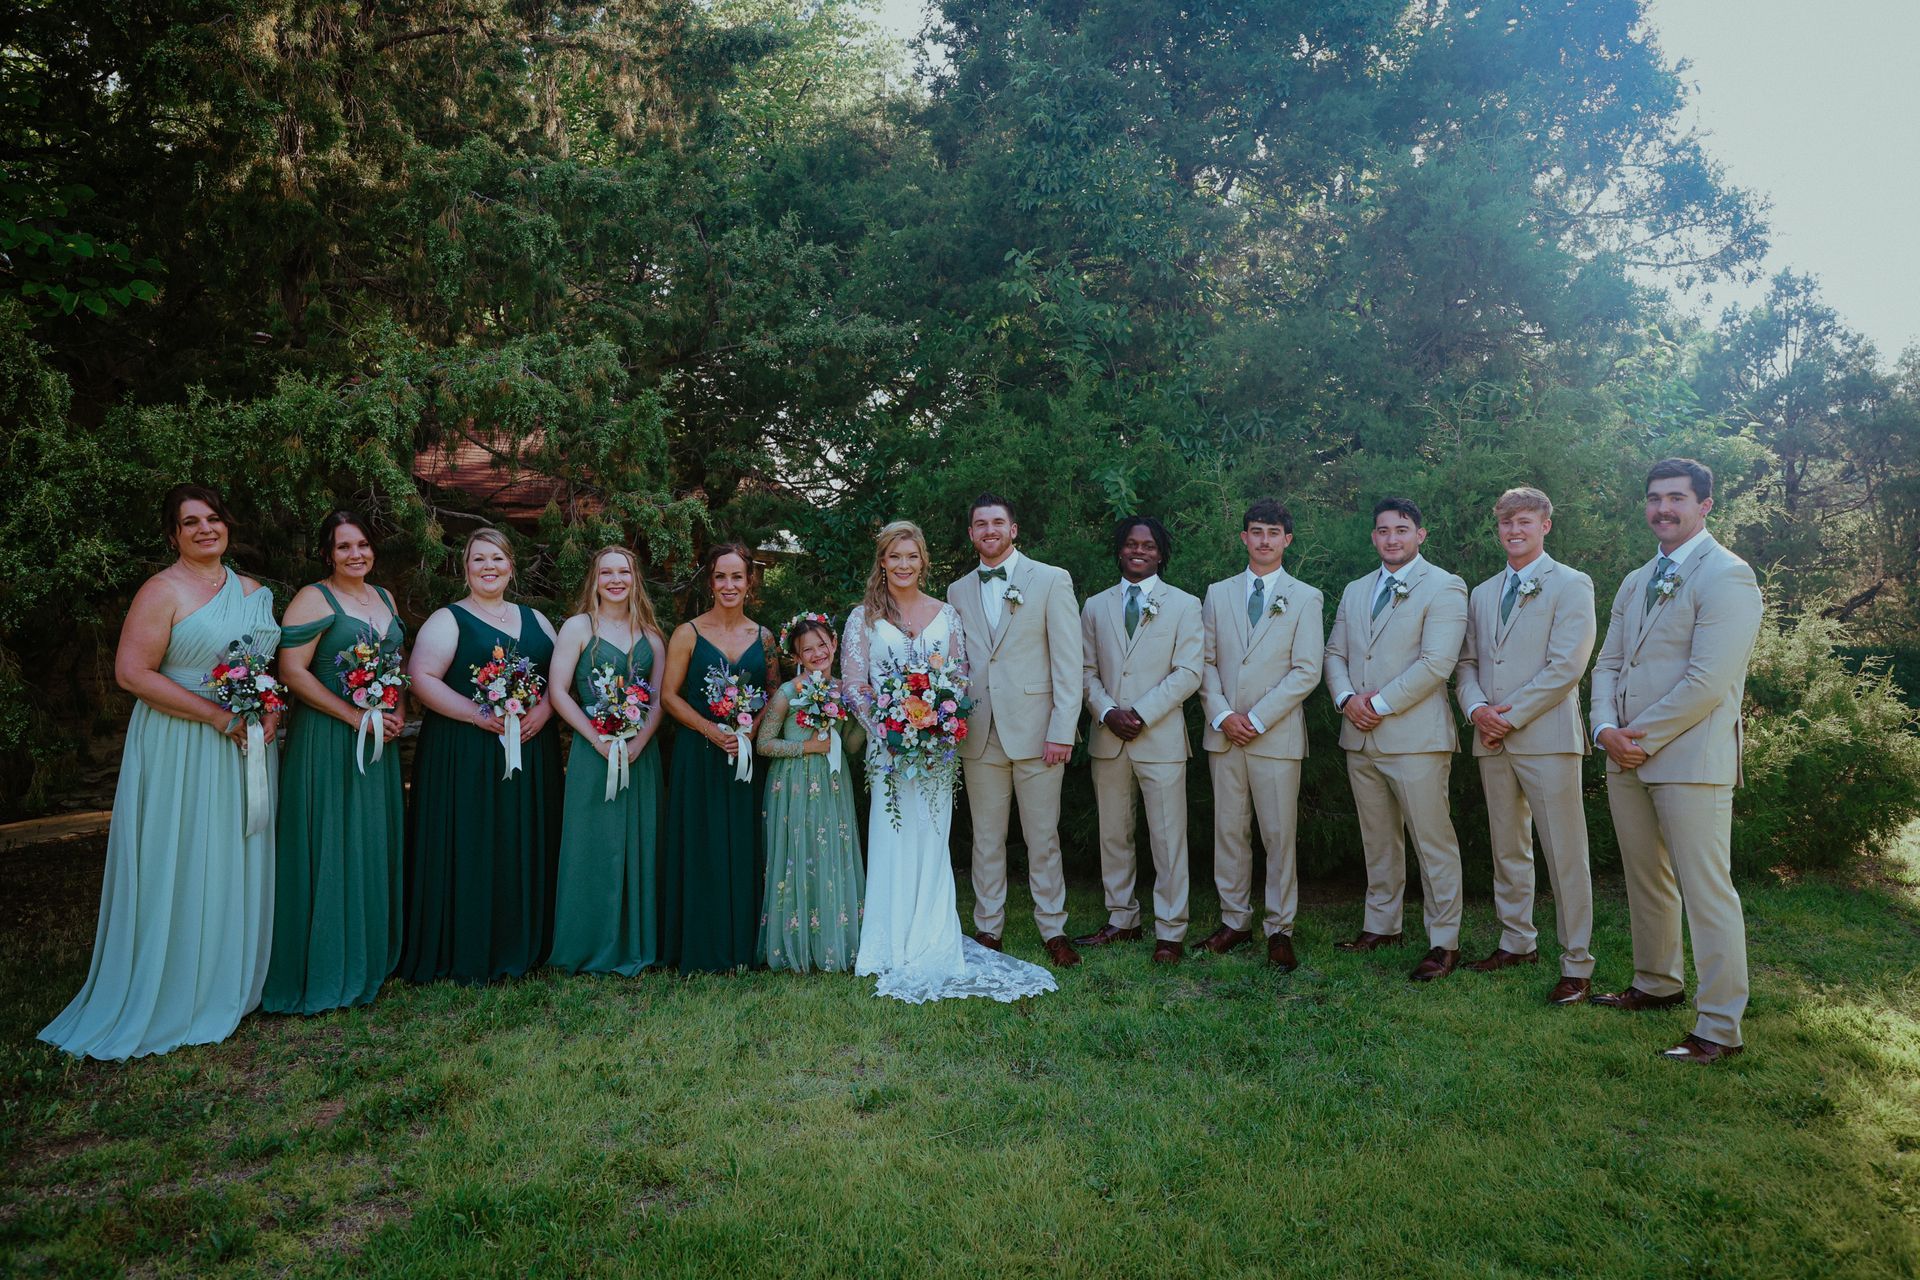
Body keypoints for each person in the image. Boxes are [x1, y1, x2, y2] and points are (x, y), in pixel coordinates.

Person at [40, 484, 280, 1059]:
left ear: (228, 525)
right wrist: (219, 718)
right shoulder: (161, 590)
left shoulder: (255, 591)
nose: (205, 529)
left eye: (213, 518)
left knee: (233, 855)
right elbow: (133, 673)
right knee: (181, 854)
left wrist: (268, 708)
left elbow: (262, 666)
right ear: (172, 535)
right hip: (183, 741)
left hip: (246, 742)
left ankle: (230, 980)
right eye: (189, 522)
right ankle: (175, 990)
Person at [1590, 458, 1763, 1064]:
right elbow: (1608, 662)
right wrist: (1604, 728)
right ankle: (1656, 983)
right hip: (1625, 755)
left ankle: (1719, 1027)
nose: (1663, 508)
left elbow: (1708, 680)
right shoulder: (1637, 579)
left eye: (1677, 498)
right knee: (1645, 878)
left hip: (1689, 758)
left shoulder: (1729, 576)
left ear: (1705, 505)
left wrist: (1639, 735)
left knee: (1707, 891)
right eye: (1655, 497)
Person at [846, 520, 1057, 1003]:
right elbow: (856, 686)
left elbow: (960, 678)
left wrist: (936, 724)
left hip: (938, 751)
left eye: (911, 556)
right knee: (894, 835)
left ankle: (932, 937)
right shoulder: (862, 619)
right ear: (882, 562)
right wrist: (890, 729)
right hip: (890, 751)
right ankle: (890, 943)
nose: (903, 565)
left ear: (924, 561)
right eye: (894, 557)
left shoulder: (947, 613)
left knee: (932, 837)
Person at [397, 528, 562, 984]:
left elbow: (558, 681)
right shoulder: (447, 619)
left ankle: (528, 940)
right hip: (465, 754)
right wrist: (476, 715)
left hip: (530, 749)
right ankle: (468, 942)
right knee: (474, 843)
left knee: (521, 841)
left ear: (512, 565)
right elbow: (422, 678)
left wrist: (544, 714)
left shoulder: (538, 620)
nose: (488, 567)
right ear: (465, 569)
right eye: (478, 560)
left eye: (497, 558)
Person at [1454, 487, 1598, 1005]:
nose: (1514, 531)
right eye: (1506, 523)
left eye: (1524, 522)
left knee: (1564, 852)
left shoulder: (1571, 585)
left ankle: (1577, 962)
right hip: (1490, 738)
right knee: (1507, 847)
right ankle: (1517, 941)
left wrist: (1504, 718)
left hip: (1546, 738)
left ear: (1545, 526)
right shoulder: (1483, 591)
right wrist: (1476, 711)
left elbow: (1567, 667)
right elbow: (1467, 663)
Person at [265, 511, 407, 1014]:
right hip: (328, 737)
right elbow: (292, 671)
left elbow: (396, 670)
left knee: (370, 840)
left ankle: (369, 955)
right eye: (344, 547)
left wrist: (395, 713)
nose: (356, 555)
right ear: (327, 553)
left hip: (377, 742)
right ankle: (324, 964)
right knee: (331, 840)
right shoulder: (312, 598)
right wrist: (353, 715)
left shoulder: (384, 598)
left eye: (364, 544)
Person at [1324, 498, 1470, 981]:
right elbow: (1334, 652)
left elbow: (1436, 664)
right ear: (1374, 537)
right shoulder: (1356, 589)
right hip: (1359, 737)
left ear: (1420, 535)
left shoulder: (1445, 586)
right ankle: (1382, 925)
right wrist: (1347, 698)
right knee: (1378, 839)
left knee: (1433, 843)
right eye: (1383, 530)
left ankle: (1443, 941)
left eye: (1402, 529)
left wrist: (1376, 705)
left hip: (1414, 738)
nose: (1392, 538)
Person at [945, 494, 1085, 967]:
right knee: (985, 838)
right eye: (980, 523)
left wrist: (1063, 728)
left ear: (1014, 529)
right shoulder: (957, 591)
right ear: (971, 534)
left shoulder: (1050, 579)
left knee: (1042, 837)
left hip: (1038, 731)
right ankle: (989, 929)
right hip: (980, 732)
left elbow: (1070, 662)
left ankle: (1053, 928)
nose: (989, 530)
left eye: (998, 522)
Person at [1192, 499, 1325, 970]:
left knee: (1277, 833)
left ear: (1287, 539)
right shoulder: (1217, 592)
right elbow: (1203, 661)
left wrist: (1259, 717)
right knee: (1229, 830)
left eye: (1273, 532)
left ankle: (1279, 928)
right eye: (1256, 531)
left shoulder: (1306, 597)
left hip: (1275, 736)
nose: (1264, 539)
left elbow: (1307, 670)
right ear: (1243, 537)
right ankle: (1234, 920)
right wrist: (1224, 714)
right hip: (1224, 734)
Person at [1074, 516, 1203, 964]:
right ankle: (1122, 919)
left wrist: (1141, 712)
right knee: (1114, 834)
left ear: (1161, 553)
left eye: (1148, 545)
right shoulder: (1094, 606)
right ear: (1120, 550)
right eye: (1130, 544)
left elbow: (1189, 671)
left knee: (1168, 838)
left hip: (1160, 738)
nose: (1138, 550)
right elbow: (1085, 670)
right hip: (1108, 737)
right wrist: (1107, 711)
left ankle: (1170, 931)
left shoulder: (1185, 605)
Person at [546, 545, 667, 976]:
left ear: (635, 580)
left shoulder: (651, 635)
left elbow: (657, 700)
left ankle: (636, 944)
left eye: (624, 572)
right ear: (594, 581)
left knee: (638, 843)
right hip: (592, 752)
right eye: (606, 573)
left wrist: (638, 744)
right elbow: (558, 691)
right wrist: (598, 740)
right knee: (591, 844)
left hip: (640, 755)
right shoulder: (579, 627)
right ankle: (586, 944)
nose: (616, 580)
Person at [660, 541, 778, 973]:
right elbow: (668, 697)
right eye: (721, 576)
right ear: (710, 582)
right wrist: (713, 731)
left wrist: (749, 728)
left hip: (745, 756)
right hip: (700, 753)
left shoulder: (763, 637)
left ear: (750, 582)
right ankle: (702, 943)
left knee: (745, 842)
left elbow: (772, 692)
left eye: (737, 577)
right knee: (702, 842)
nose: (729, 585)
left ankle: (745, 943)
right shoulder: (687, 633)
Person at [755, 614, 866, 973]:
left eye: (822, 645)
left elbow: (848, 747)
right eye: (808, 649)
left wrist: (864, 718)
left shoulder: (842, 692)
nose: (817, 653)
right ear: (797, 657)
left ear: (834, 644)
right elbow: (764, 744)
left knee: (830, 854)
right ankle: (793, 944)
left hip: (833, 786)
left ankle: (833, 942)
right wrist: (806, 749)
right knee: (797, 854)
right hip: (793, 786)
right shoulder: (789, 693)